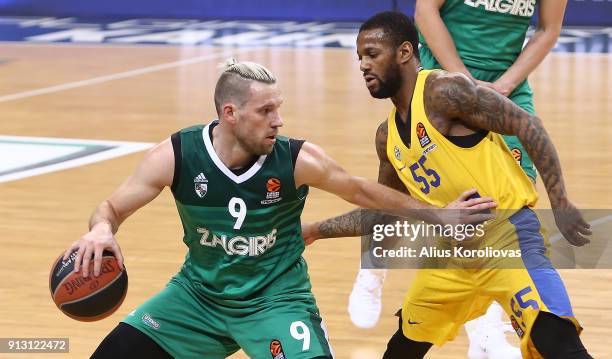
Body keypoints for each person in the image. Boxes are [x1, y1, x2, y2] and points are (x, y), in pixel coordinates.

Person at [62, 58, 495, 359]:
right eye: (265, 110)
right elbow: (110, 208)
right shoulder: (176, 155)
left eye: (279, 108)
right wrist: (102, 229)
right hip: (198, 298)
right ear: (230, 113)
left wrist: (439, 214)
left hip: (276, 302)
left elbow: (362, 191)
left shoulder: (297, 159)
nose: (278, 120)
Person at [302, 12, 592, 358]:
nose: (363, 65)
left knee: (558, 342)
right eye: (359, 57)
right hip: (451, 256)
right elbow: (385, 214)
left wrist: (560, 204)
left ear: (405, 53)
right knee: (400, 350)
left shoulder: (445, 91)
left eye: (372, 54)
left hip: (507, 238)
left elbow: (528, 125)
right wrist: (316, 229)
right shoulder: (387, 137)